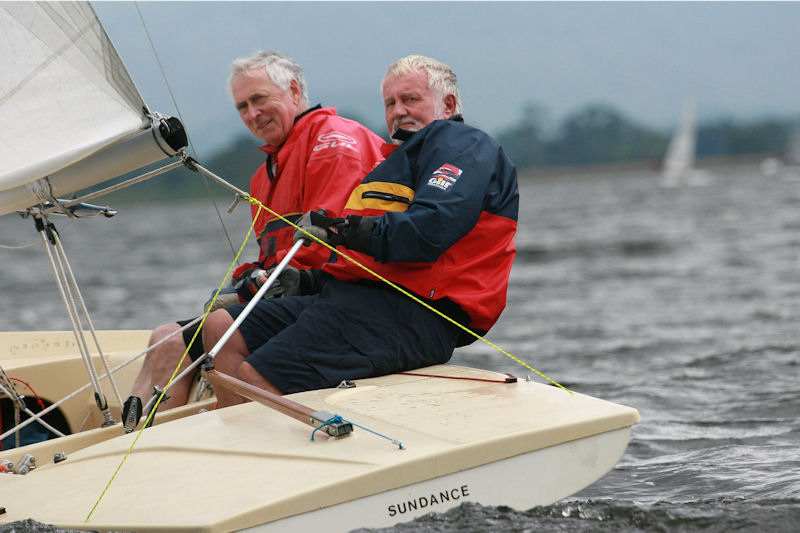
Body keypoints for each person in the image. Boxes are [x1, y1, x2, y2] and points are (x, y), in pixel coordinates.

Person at [202, 54, 519, 407]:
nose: (399, 111)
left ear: (448, 104)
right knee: (222, 329)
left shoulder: (463, 145)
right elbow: (365, 262)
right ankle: (239, 438)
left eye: (410, 99)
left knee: (256, 376)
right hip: (362, 301)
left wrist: (339, 229)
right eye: (390, 103)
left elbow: (426, 233)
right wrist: (305, 282)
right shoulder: (395, 162)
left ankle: (261, 450)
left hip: (419, 314)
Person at [129, 50, 384, 410]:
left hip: (341, 299)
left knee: (221, 327)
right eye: (242, 107)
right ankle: (136, 447)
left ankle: (239, 437)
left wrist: (259, 283)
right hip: (291, 296)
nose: (252, 114)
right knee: (166, 339)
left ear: (294, 91)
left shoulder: (334, 142)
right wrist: (248, 277)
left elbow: (331, 240)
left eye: (259, 99)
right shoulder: (264, 176)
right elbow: (273, 256)